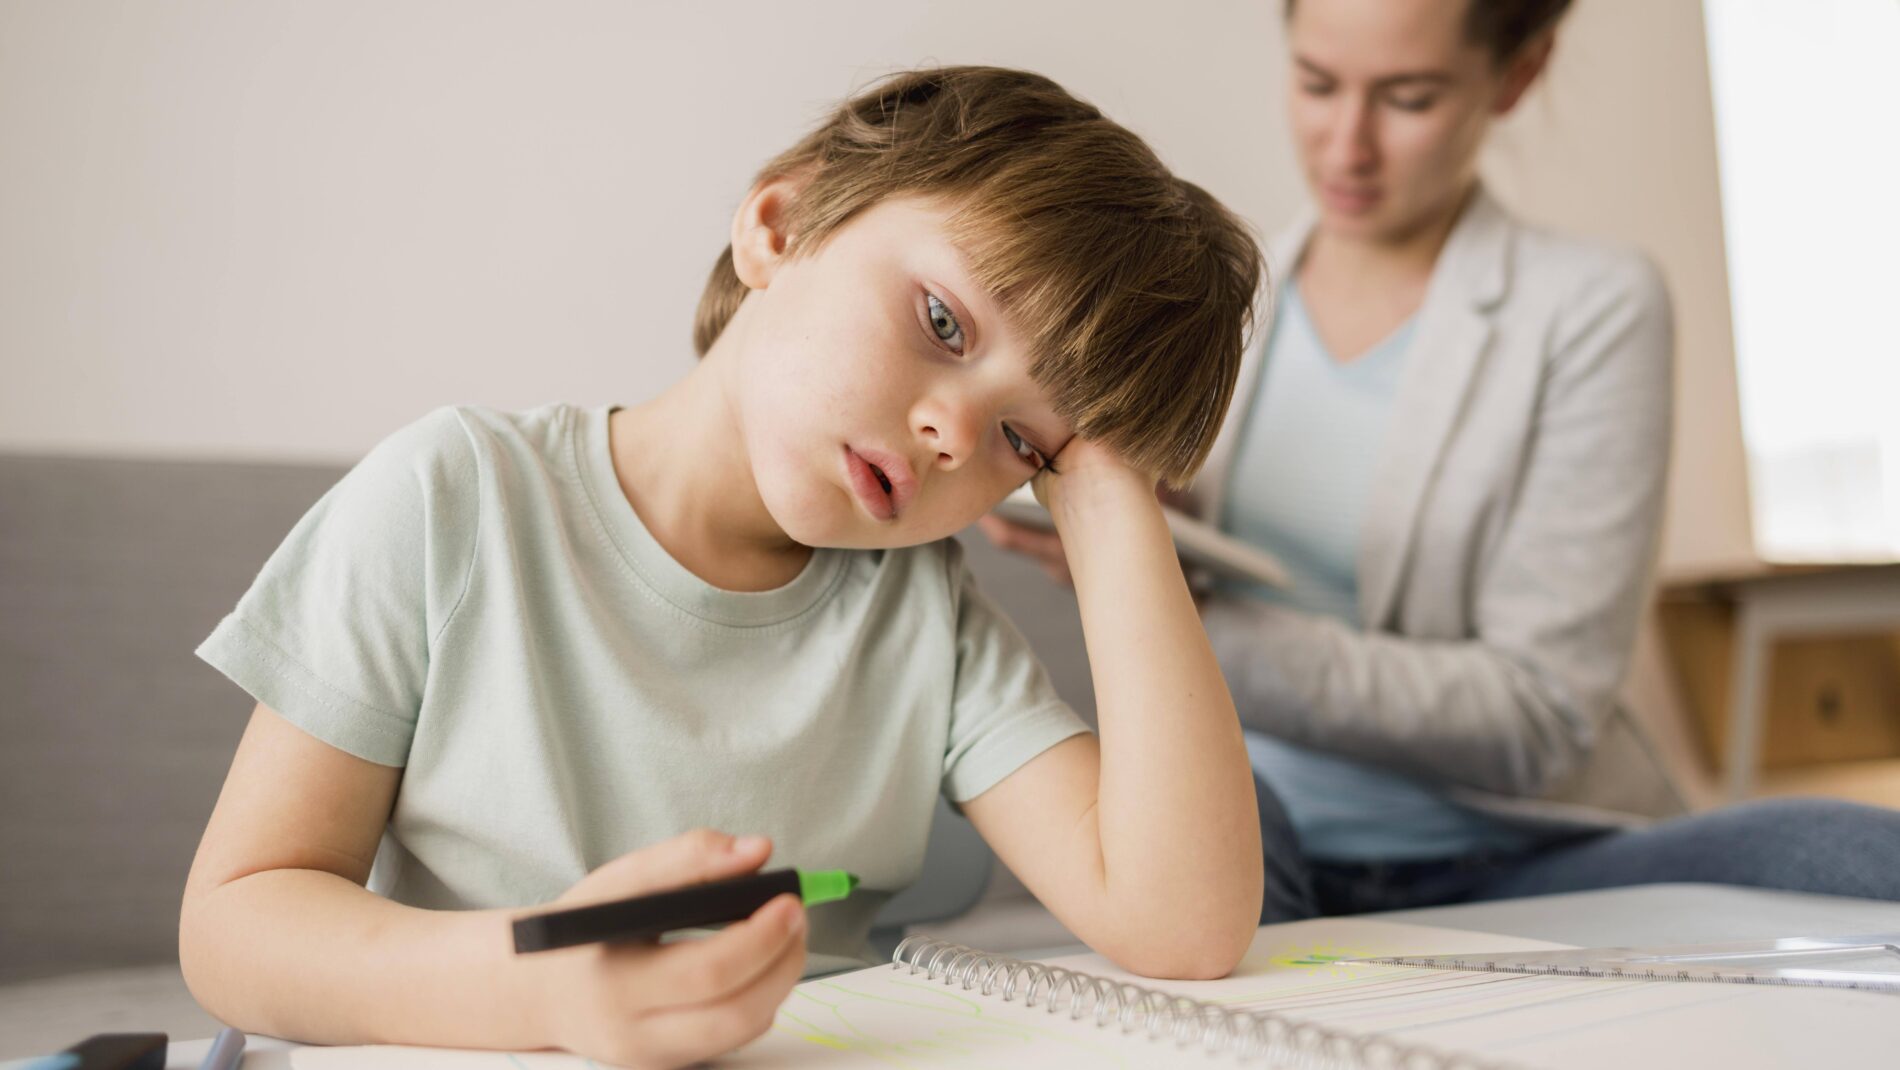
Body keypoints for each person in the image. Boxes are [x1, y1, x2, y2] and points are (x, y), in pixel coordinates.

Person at [178, 66, 1267, 1069]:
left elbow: (1184, 922)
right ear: (778, 226)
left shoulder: (922, 613)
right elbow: (236, 922)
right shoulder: (453, 499)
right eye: (941, 321)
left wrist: (1109, 492)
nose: (949, 433)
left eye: (1022, 442)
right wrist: (543, 997)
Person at [981, 0, 1900, 919]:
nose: (1349, 146)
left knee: (1857, 856)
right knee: (1220, 843)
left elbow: (1536, 713)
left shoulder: (1591, 309)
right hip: (1263, 838)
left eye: (1408, 98)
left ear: (1518, 75)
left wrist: (1169, 611)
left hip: (1519, 850)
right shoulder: (1206, 300)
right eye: (1316, 84)